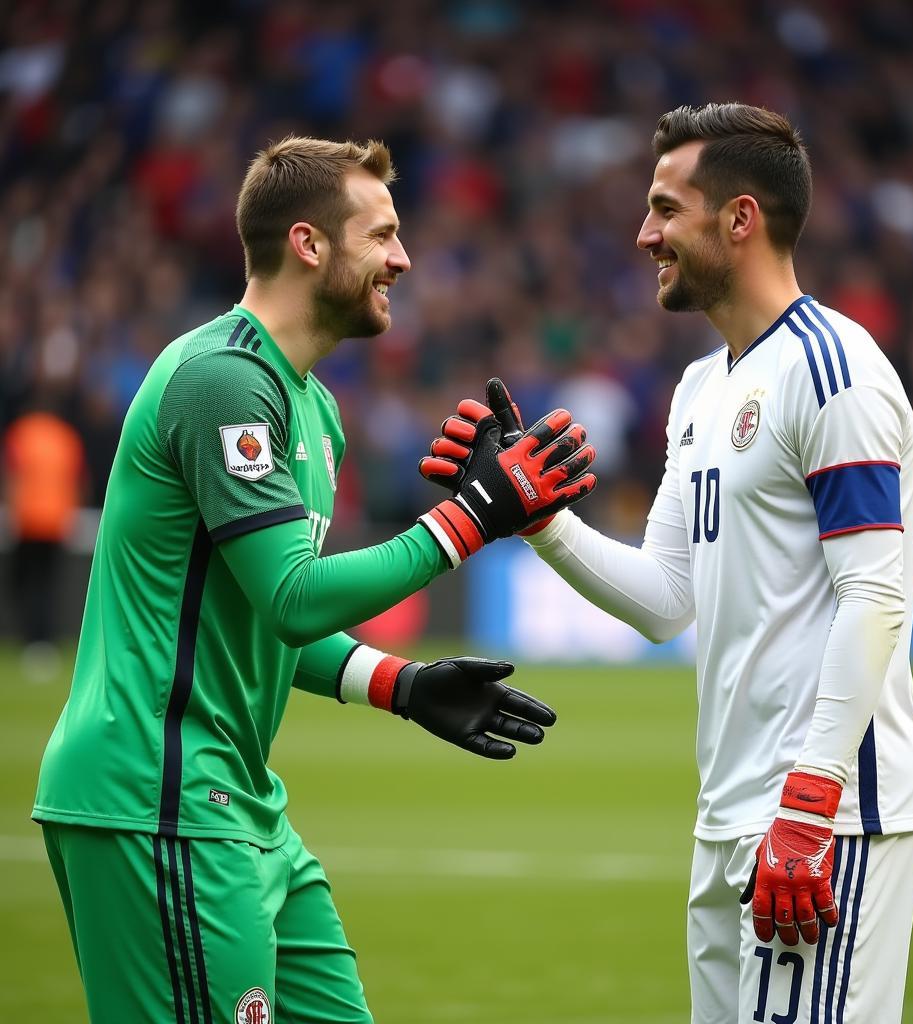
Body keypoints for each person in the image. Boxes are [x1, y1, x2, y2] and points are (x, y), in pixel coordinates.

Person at [32, 136, 596, 1024]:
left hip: (242, 807)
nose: (403, 259)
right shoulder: (222, 381)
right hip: (159, 801)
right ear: (308, 244)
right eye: (382, 236)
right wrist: (473, 516)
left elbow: (265, 618)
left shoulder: (314, 406)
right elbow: (295, 595)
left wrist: (401, 684)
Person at [421, 104, 913, 1023]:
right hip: (730, 817)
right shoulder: (702, 386)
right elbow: (667, 600)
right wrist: (542, 522)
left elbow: (875, 590)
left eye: (665, 208)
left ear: (739, 219)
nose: (644, 232)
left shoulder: (835, 373)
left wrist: (810, 804)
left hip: (825, 817)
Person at [2, 402, 85, 678]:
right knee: (50, 585)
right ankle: (46, 642)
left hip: (28, 519)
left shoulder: (21, 433)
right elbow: (79, 479)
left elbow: (11, 475)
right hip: (57, 520)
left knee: (26, 584)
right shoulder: (65, 436)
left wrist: (12, 511)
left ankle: (32, 641)